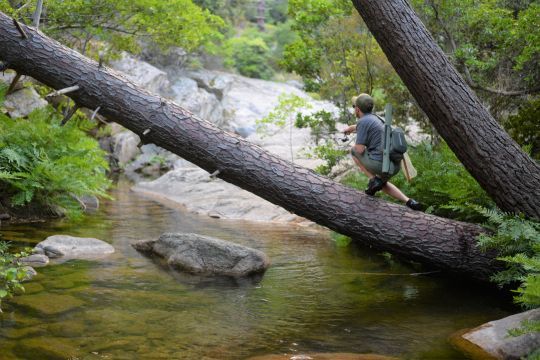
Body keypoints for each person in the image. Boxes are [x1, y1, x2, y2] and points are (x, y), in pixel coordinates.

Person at [343, 93, 422, 210]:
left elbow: (359, 150)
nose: (354, 109)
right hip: (393, 165)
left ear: (357, 109)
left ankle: (372, 179)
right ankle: (409, 201)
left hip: (380, 165)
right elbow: (368, 125)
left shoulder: (362, 122)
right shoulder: (378, 118)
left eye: (354, 107)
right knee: (382, 184)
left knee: (353, 150)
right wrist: (352, 128)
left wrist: (360, 134)